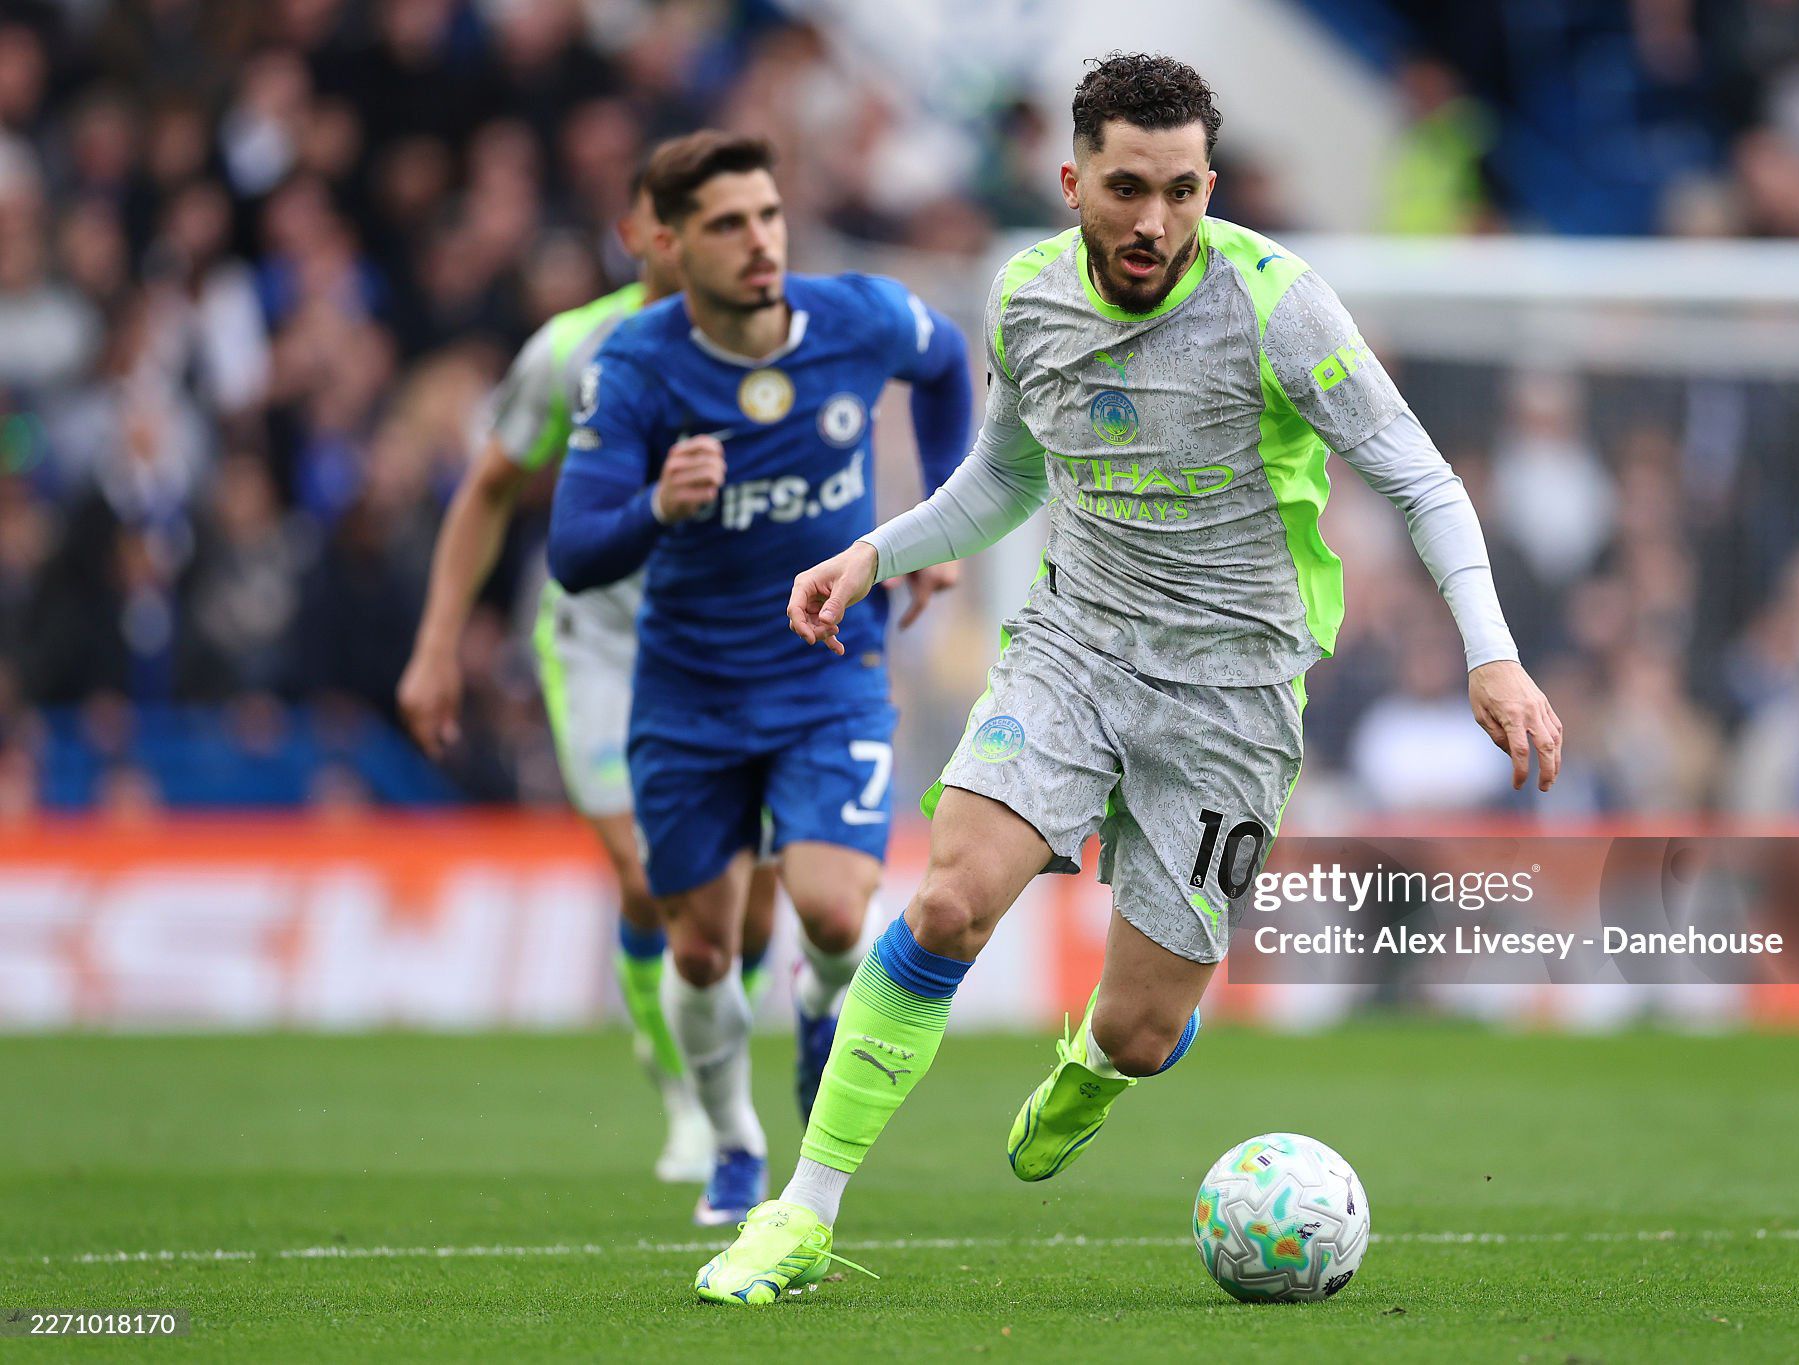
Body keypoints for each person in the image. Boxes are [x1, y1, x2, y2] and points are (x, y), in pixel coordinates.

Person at [696, 52, 1562, 1304]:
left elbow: (1419, 480)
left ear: (1208, 184)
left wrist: (1492, 654)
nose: (1155, 220)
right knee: (946, 904)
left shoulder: (1276, 305)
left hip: (1231, 696)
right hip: (1075, 649)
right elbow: (1005, 478)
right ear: (1071, 184)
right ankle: (802, 1213)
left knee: (1141, 1029)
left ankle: (1099, 1068)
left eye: (1181, 190)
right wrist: (876, 552)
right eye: (1125, 189)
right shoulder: (1026, 298)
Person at [546, 131, 974, 1226]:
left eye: (769, 216)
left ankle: (824, 1006)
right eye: (727, 224)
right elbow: (573, 551)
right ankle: (733, 1140)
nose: (759, 241)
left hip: (828, 668)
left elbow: (943, 367)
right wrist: (656, 505)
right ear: (670, 245)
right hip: (688, 690)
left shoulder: (859, 316)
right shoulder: (634, 366)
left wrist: (938, 525)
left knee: (833, 913)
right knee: (701, 947)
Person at [395, 143, 781, 1187]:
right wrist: (436, 644)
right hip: (604, 643)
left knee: (751, 907)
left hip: (736, 645)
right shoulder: (572, 349)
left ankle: (710, 1051)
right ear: (642, 236)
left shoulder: (780, 336)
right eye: (684, 219)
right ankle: (690, 1097)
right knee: (654, 878)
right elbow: (486, 488)